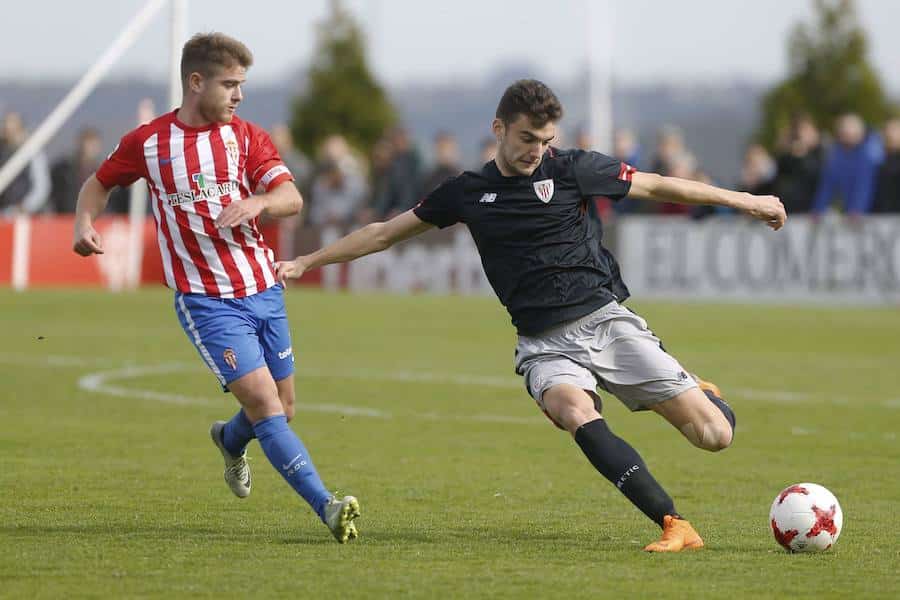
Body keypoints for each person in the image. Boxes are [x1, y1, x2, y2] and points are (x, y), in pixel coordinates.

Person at [275, 79, 786, 552]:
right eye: (526, 139)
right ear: (498, 129)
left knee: (715, 436)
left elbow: (656, 185)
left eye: (544, 140)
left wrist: (746, 200)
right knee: (573, 410)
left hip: (606, 323)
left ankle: (703, 392)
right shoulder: (467, 191)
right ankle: (675, 525)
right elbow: (383, 233)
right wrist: (307, 260)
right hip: (543, 344)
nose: (535, 151)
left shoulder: (573, 168)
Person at [70, 32, 360, 543]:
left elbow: (290, 196)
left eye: (242, 85)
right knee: (268, 407)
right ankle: (328, 507)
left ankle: (229, 440)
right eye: (230, 84)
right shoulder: (149, 142)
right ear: (196, 81)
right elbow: (99, 183)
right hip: (206, 301)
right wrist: (82, 222)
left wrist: (259, 203)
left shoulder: (246, 137)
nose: (239, 95)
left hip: (262, 287)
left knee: (284, 407)